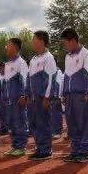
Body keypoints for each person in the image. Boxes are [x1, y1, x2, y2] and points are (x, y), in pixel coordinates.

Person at [60, 27, 88, 164]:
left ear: (73, 41)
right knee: (72, 124)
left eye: (65, 43)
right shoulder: (67, 56)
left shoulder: (86, 54)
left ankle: (84, 152)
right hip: (69, 96)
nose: (64, 46)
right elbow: (66, 76)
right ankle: (75, 151)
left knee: (84, 123)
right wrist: (63, 92)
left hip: (82, 95)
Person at [27, 31, 58, 160]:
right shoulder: (34, 59)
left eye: (33, 39)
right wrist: (27, 94)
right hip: (33, 98)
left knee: (43, 123)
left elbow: (51, 78)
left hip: (42, 98)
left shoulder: (48, 57)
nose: (32, 42)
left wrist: (47, 97)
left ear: (41, 41)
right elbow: (29, 78)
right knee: (34, 123)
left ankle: (45, 150)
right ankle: (39, 147)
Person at [50, 61, 64, 139]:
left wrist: (58, 96)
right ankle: (53, 130)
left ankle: (57, 131)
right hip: (50, 96)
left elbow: (59, 83)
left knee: (56, 114)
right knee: (51, 114)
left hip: (56, 97)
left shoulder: (58, 71)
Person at [0, 62, 10, 136]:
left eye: (1, 68)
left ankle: (6, 128)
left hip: (5, 98)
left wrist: (6, 97)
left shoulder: (6, 77)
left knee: (5, 114)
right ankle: (2, 128)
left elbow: (6, 89)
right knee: (0, 114)